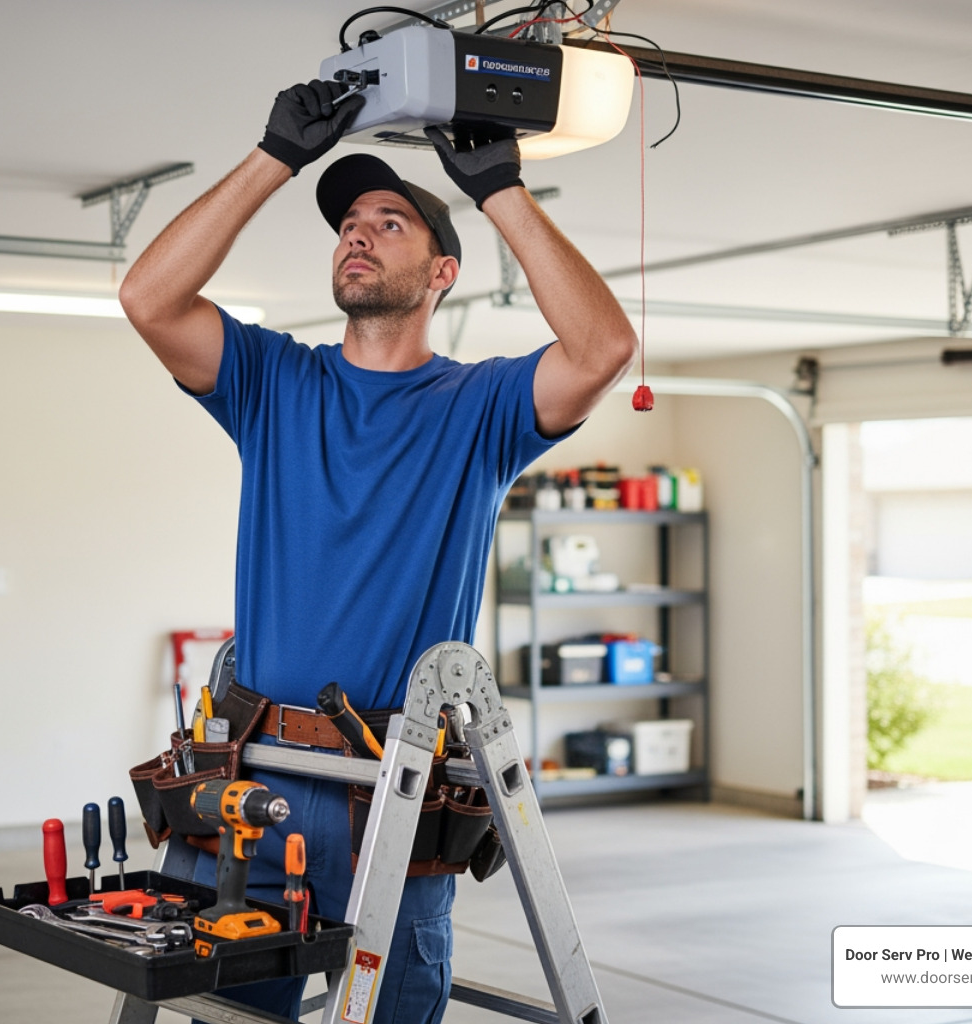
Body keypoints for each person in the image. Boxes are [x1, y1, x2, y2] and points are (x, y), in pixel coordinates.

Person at [119, 79, 636, 1024]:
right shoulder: (275, 380)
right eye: (347, 222)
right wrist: (274, 156)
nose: (355, 234)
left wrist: (499, 191)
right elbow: (146, 297)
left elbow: (603, 348)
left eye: (389, 222)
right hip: (254, 778)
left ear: (442, 273)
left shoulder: (481, 408)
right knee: (231, 1013)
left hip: (389, 792)